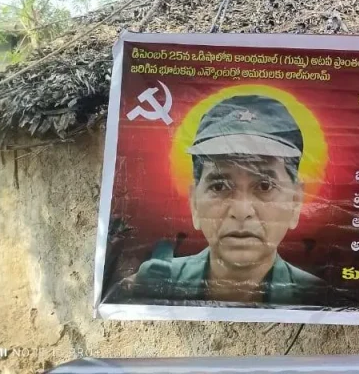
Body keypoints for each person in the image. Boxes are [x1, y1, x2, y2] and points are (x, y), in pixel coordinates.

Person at [126, 94, 324, 305]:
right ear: (194, 203)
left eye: (264, 186)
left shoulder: (318, 296)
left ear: (295, 201)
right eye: (219, 186)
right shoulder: (154, 284)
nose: (241, 211)